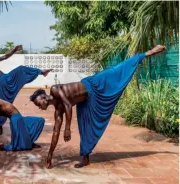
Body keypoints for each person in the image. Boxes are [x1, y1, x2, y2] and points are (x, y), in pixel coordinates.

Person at [29, 45, 166, 169]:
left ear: (43, 96)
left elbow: (68, 105)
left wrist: (68, 128)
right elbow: (55, 132)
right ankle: (86, 158)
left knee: (116, 71)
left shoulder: (54, 89)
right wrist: (50, 156)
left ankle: (148, 53)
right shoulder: (57, 111)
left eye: (37, 102)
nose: (39, 106)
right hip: (86, 101)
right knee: (86, 128)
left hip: (94, 84)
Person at [0, 48, 52, 136]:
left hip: (6, 77)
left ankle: (41, 72)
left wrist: (14, 50)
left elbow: (4, 57)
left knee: (21, 69)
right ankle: (0, 127)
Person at [0, 79, 45, 151]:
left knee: (40, 121)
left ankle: (28, 142)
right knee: (20, 147)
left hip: (18, 119)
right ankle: (3, 147)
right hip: (16, 120)